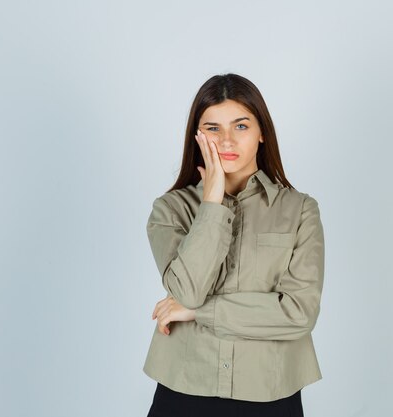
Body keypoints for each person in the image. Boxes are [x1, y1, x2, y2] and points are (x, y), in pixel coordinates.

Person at [143, 73, 325, 417]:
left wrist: (198, 313)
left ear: (261, 133)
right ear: (197, 137)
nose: (226, 140)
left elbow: (299, 313)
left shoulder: (301, 211)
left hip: (271, 394)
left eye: (240, 126)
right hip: (183, 390)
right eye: (213, 128)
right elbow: (188, 291)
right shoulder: (170, 210)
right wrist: (212, 202)